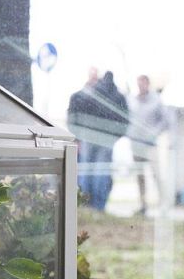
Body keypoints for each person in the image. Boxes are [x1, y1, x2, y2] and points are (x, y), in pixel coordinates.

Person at [67, 70, 129, 211]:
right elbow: (125, 120)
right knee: (101, 171)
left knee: (86, 170)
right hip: (106, 139)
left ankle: (84, 203)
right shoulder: (118, 96)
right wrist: (114, 136)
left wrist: (79, 136)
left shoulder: (92, 93)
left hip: (89, 137)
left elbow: (79, 115)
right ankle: (99, 205)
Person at [127, 75, 169, 215]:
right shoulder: (132, 100)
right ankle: (143, 205)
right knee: (140, 175)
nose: (140, 86)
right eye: (138, 83)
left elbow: (165, 121)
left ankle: (164, 205)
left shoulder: (156, 100)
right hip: (136, 144)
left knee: (156, 173)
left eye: (143, 83)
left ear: (148, 84)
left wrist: (153, 134)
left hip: (150, 144)